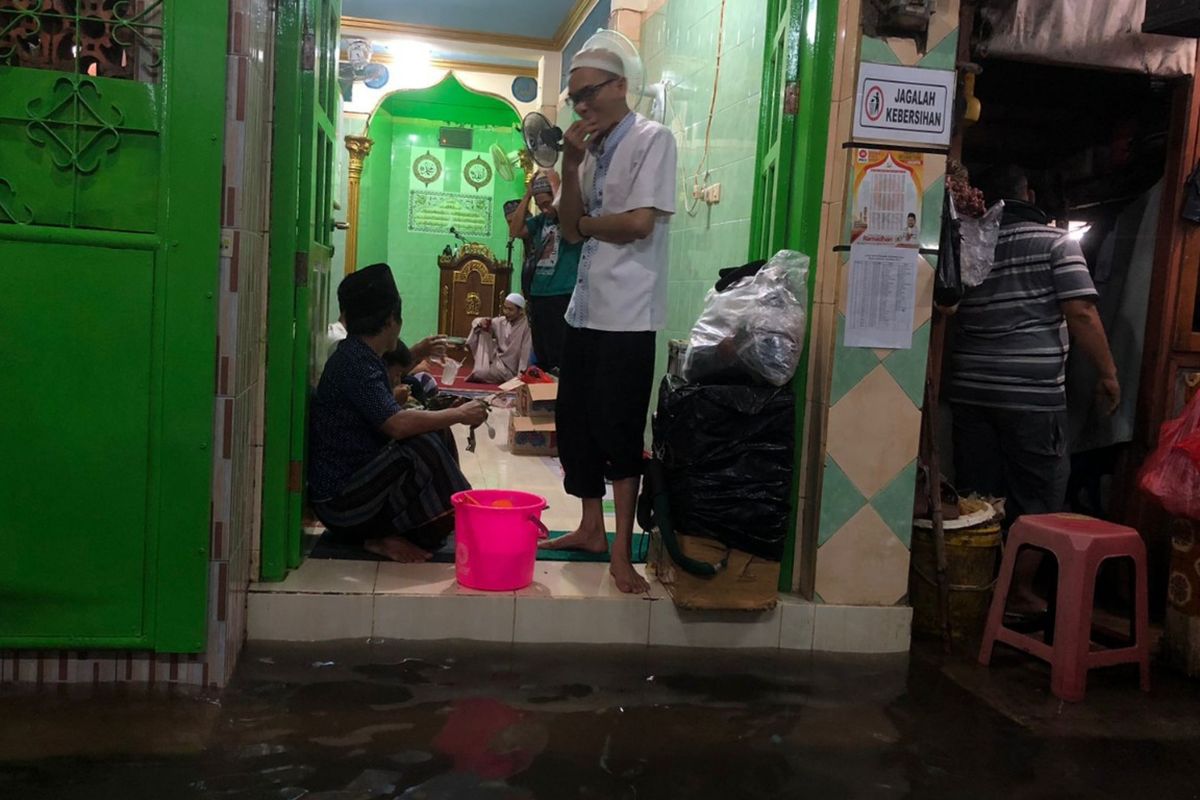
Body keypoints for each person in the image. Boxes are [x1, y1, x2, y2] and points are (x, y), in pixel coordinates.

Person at [949, 166, 1119, 618]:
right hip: (1030, 394)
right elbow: (1080, 312)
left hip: (970, 389)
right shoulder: (1055, 242)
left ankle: (976, 590)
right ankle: (1017, 593)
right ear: (1030, 193)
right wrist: (1107, 374)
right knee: (1039, 494)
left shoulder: (970, 245)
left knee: (977, 494)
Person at [538, 44, 677, 594]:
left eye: (587, 94)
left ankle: (623, 552)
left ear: (620, 86)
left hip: (628, 313)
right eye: (574, 99)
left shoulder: (652, 140)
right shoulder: (588, 151)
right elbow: (570, 229)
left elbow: (640, 223)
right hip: (586, 307)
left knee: (619, 429)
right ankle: (591, 529)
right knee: (576, 422)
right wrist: (571, 167)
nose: (580, 108)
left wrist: (591, 223)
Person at [307, 263, 489, 562]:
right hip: (342, 505)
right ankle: (461, 522)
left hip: (357, 490)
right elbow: (397, 425)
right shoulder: (355, 361)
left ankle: (419, 527)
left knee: (432, 431)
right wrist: (460, 415)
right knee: (421, 447)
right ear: (392, 319)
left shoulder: (361, 355)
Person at [508, 171, 581, 373]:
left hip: (561, 294)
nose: (545, 209)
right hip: (538, 294)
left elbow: (568, 218)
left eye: (548, 203)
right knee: (543, 356)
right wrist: (528, 195)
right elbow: (514, 231)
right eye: (540, 206)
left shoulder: (570, 218)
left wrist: (557, 185)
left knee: (560, 356)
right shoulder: (541, 222)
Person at [466, 292, 533, 384]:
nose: (506, 312)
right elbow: (478, 322)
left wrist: (521, 376)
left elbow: (526, 353)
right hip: (499, 365)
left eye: (510, 309)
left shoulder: (527, 327)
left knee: (481, 374)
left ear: (520, 311)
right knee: (480, 372)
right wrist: (481, 322)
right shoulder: (501, 321)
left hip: (514, 369)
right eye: (505, 308)